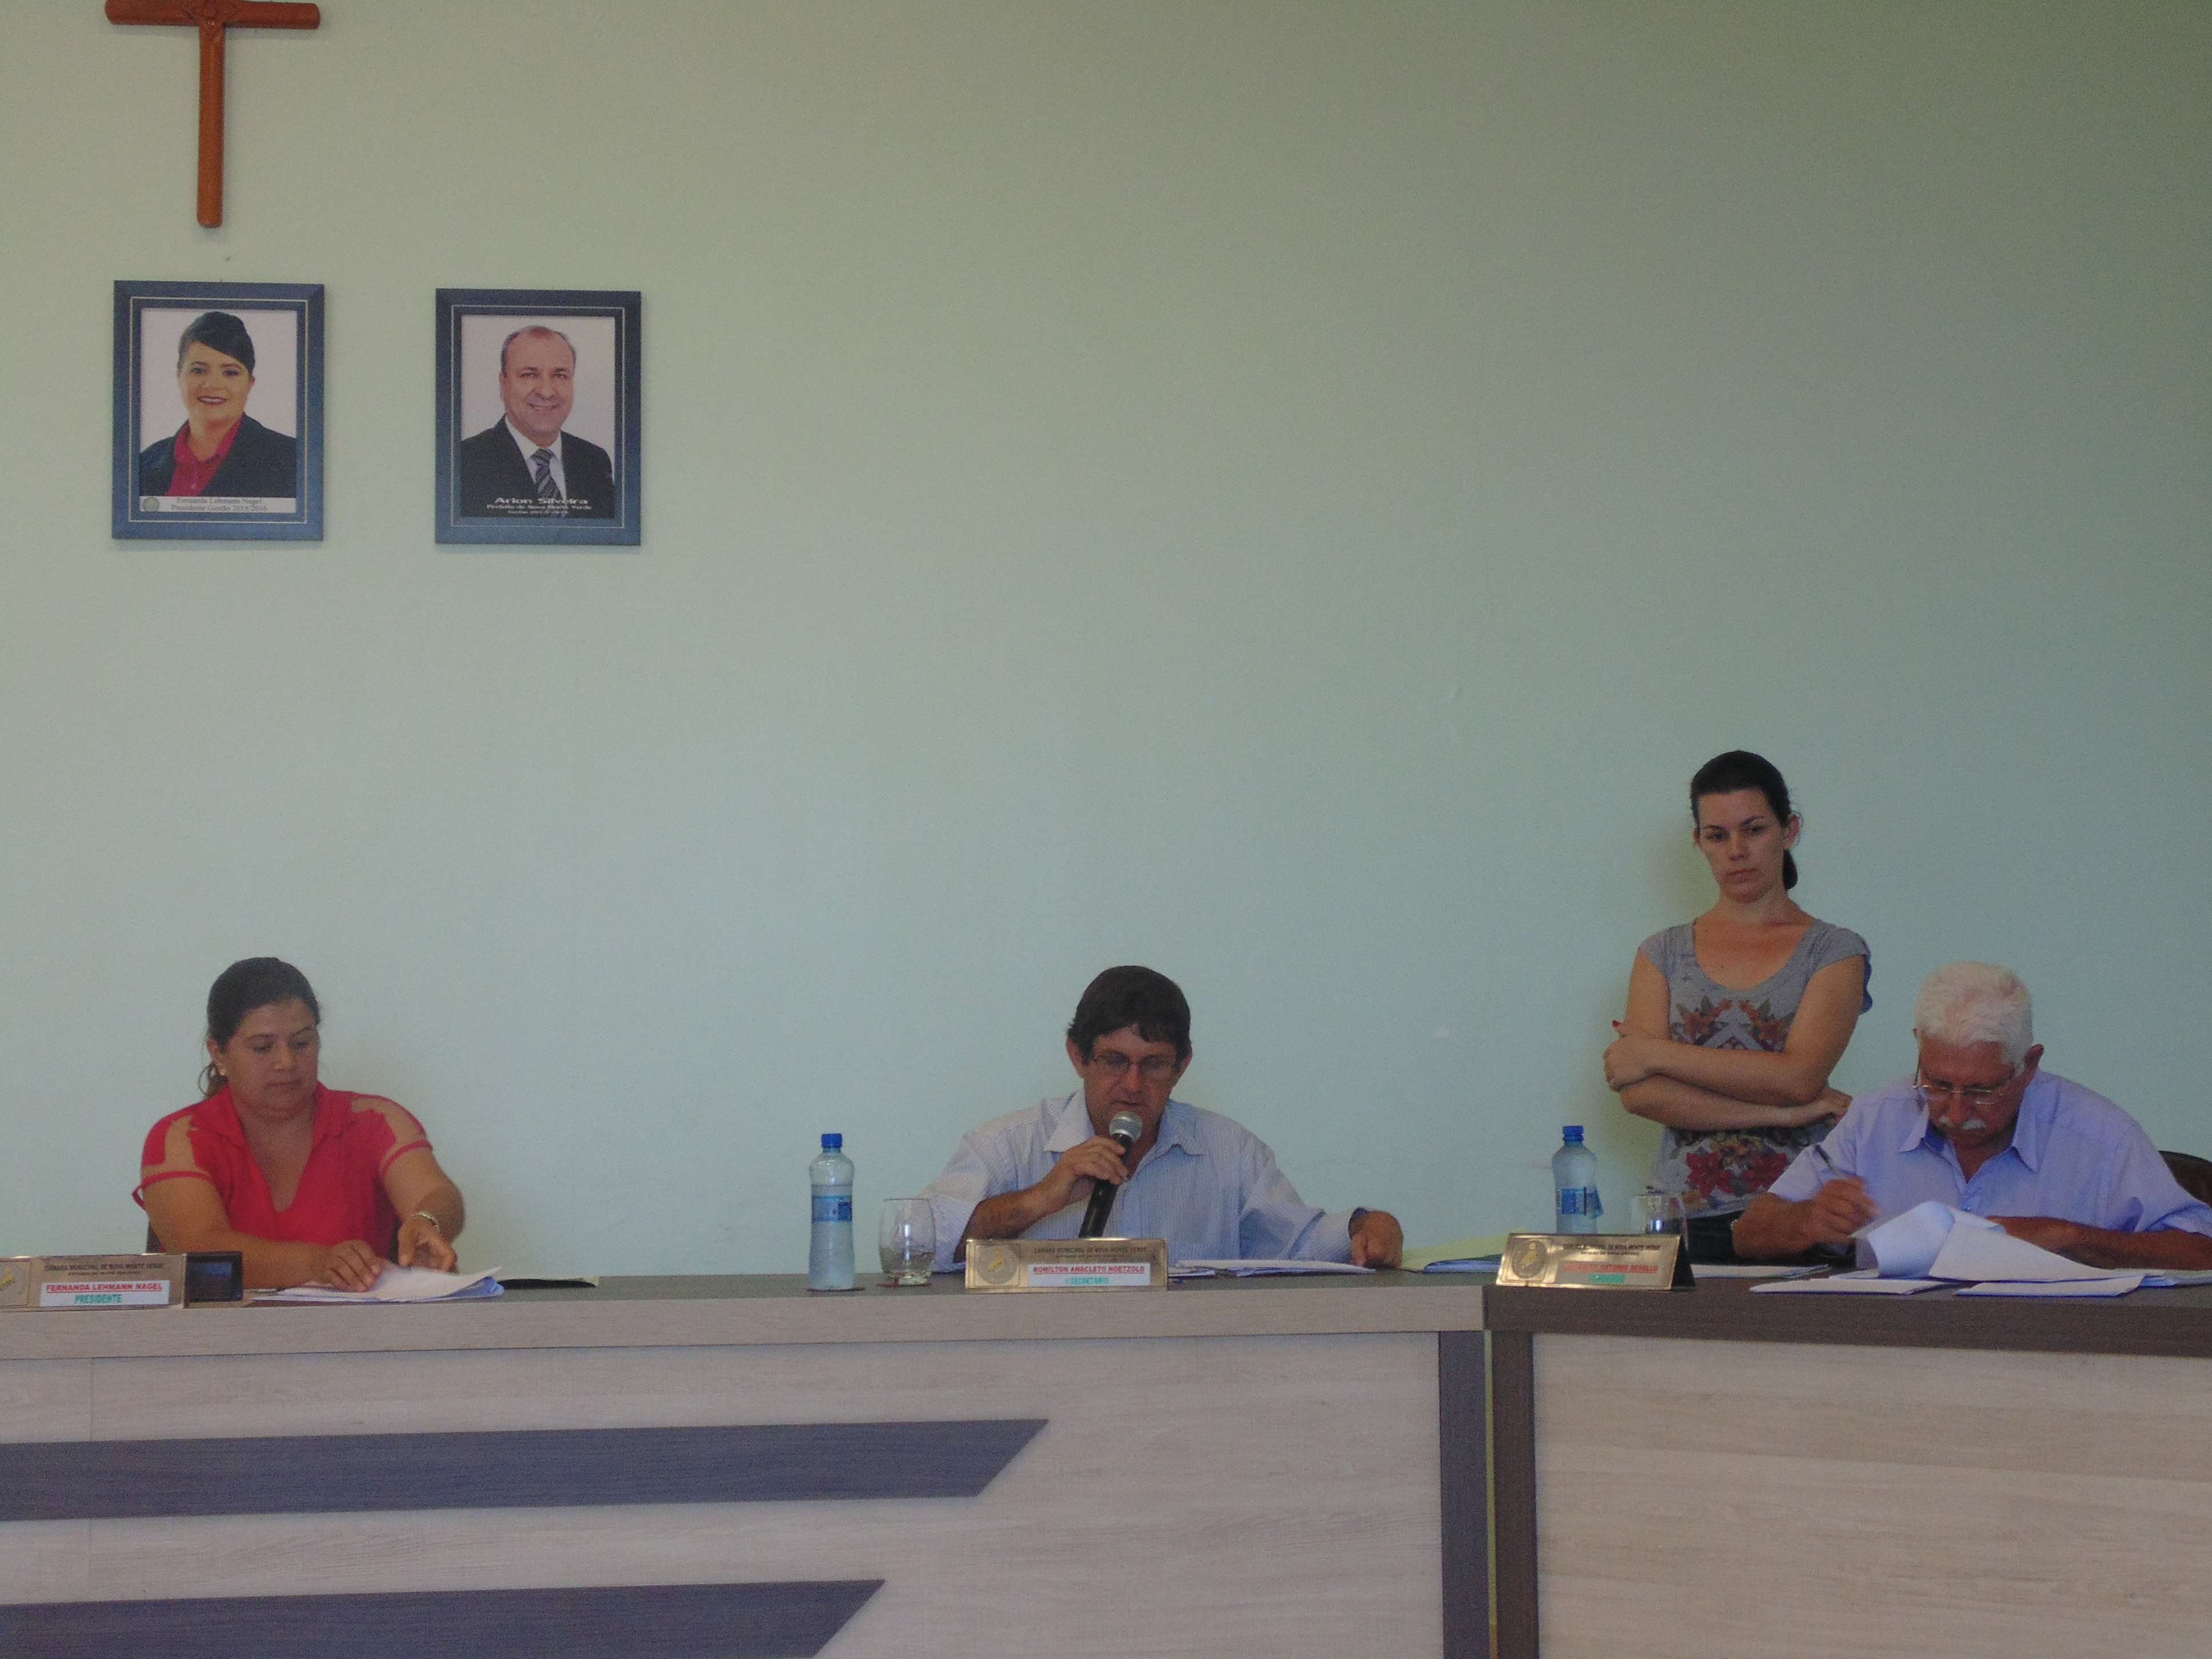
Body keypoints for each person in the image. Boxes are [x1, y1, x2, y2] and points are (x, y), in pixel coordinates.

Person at [920, 965, 1404, 1268]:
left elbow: (1299, 1247)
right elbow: (918, 1248)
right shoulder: (1008, 1145)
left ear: (1181, 1067)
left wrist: (1367, 1225)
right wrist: (1038, 1200)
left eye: (1153, 1065)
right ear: (1078, 1057)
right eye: (1114, 1061)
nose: (1133, 1085)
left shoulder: (1231, 1153)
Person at [1736, 963, 2212, 1268]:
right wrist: (1805, 1220)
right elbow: (1749, 1234)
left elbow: (2201, 1250)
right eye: (1938, 1084)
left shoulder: (2101, 1136)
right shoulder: (1875, 1120)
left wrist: (2071, 1239)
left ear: (2029, 1066)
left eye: (1982, 1091)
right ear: (1920, 1049)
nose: (1957, 1112)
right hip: (1892, 1357)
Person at [1604, 751, 1870, 1262]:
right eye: (1717, 835)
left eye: (1754, 830)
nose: (1737, 852)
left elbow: (1799, 1079)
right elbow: (1641, 1095)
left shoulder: (1835, 951)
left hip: (1795, 1213)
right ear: (1699, 841)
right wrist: (1783, 1114)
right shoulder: (1662, 952)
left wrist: (1655, 1052)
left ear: (1789, 830)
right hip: (1681, 1214)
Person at [136, 958, 467, 1291]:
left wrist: (427, 1221)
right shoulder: (180, 1138)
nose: (287, 1062)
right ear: (219, 1054)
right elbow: (201, 1250)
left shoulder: (375, 1120)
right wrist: (317, 1263)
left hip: (358, 1325)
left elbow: (437, 1193)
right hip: (220, 1327)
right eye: (263, 1048)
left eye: (302, 1043)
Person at [135, 311, 299, 500]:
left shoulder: (293, 460)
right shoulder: (144, 463)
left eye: (230, 373)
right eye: (198, 370)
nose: (212, 385)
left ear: (250, 383)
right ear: (180, 376)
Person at [456, 325, 616, 517]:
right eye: (529, 375)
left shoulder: (595, 462)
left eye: (560, 375)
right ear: (503, 385)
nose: (546, 392)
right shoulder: (463, 463)